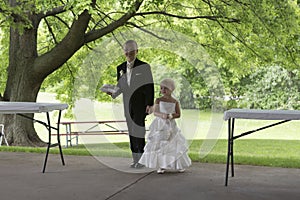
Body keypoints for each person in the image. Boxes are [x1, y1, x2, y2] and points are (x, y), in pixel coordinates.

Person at [108, 40, 154, 168]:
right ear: (124, 52)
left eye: (131, 50)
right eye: (126, 50)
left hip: (140, 104)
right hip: (127, 105)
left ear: (136, 51)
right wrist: (113, 93)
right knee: (131, 131)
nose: (129, 53)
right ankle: (135, 159)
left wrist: (149, 104)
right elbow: (121, 86)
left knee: (138, 130)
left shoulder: (145, 66)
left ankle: (142, 159)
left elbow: (149, 86)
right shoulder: (120, 68)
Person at [138, 78, 191, 174]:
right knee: (160, 143)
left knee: (173, 143)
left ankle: (177, 165)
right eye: (161, 88)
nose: (162, 90)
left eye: (165, 88)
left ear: (171, 89)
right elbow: (156, 112)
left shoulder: (175, 101)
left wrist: (170, 116)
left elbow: (178, 114)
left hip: (170, 124)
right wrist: (162, 115)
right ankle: (161, 165)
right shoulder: (158, 100)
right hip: (160, 124)